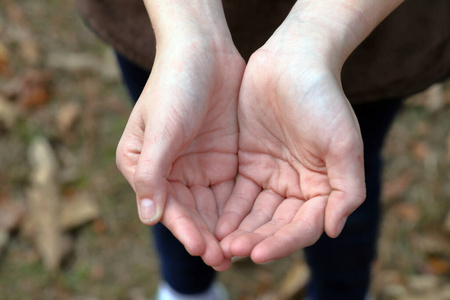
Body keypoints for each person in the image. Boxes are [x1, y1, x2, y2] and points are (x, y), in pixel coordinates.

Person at [76, 0, 450, 299]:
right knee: (175, 170)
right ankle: (185, 290)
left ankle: (343, 291)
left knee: (332, 182)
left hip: (363, 30)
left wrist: (317, 32)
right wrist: (189, 32)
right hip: (165, 21)